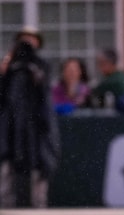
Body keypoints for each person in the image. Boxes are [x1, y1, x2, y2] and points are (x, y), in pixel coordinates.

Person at [0, 27, 61, 208]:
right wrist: (5, 72)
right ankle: (5, 206)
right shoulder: (9, 66)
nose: (27, 45)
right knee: (6, 169)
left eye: (31, 40)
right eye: (23, 40)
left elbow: (44, 98)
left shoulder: (41, 66)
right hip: (10, 126)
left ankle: (39, 207)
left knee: (39, 169)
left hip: (37, 127)